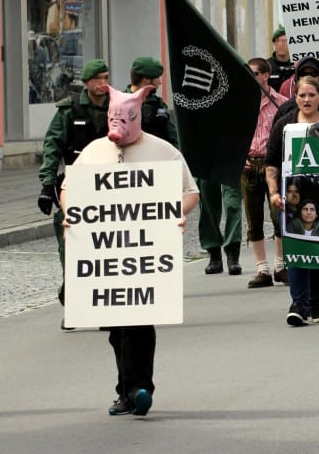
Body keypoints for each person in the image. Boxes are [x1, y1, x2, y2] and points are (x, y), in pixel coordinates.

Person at [60, 84, 199, 417]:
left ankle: (139, 389)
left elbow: (190, 192)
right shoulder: (94, 152)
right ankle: (126, 389)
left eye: (125, 118)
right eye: (113, 118)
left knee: (139, 321)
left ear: (137, 116)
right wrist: (71, 215)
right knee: (115, 329)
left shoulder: (164, 152)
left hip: (144, 255)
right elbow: (69, 189)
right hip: (107, 257)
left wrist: (176, 212)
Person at [265, 76, 319, 327]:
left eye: (312, 95)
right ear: (295, 98)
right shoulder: (284, 125)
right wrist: (274, 192)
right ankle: (298, 303)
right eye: (302, 95)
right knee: (297, 250)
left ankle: (317, 301)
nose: (307, 100)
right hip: (292, 200)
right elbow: (271, 164)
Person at [38, 59, 111, 317]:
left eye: (106, 77)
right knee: (71, 247)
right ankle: (72, 301)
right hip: (77, 188)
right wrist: (47, 186)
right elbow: (52, 148)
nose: (104, 83)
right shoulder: (69, 111)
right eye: (98, 79)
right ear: (87, 83)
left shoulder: (119, 107)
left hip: (113, 189)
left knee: (109, 249)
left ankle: (108, 305)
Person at [243, 58, 289, 289]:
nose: (250, 78)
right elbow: (233, 134)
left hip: (273, 165)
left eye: (254, 74)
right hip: (249, 165)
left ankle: (280, 266)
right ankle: (262, 269)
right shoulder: (241, 104)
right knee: (253, 219)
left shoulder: (281, 103)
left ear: (265, 75)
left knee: (278, 216)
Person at [127, 56, 178, 146]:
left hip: (155, 158)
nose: (159, 82)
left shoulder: (158, 105)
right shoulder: (121, 101)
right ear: (146, 79)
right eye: (157, 78)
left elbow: (173, 138)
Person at [267, 26, 296, 92]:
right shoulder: (267, 65)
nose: (280, 44)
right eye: (277, 41)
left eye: (284, 41)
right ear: (274, 43)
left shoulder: (297, 64)